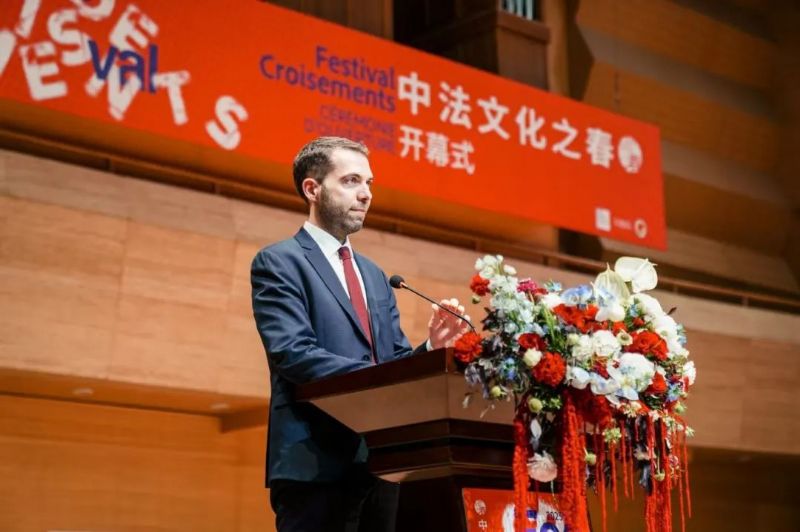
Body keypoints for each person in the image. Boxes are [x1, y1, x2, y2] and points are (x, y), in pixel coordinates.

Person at [251, 136, 470, 532]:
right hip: (316, 465)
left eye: (369, 183)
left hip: (382, 464)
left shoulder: (375, 275)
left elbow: (394, 363)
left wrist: (431, 347)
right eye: (351, 181)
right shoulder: (279, 262)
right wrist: (377, 380)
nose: (366, 194)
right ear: (313, 189)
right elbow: (293, 353)